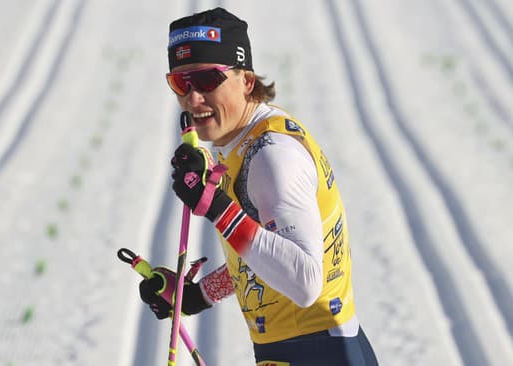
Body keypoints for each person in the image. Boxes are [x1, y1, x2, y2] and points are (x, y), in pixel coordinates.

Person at [138, 7, 379, 366]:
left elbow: (305, 281)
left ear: (247, 80)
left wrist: (218, 209)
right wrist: (196, 296)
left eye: (206, 81)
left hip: (318, 350)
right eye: (180, 84)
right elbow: (268, 255)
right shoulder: (242, 142)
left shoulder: (271, 157)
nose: (193, 98)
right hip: (301, 350)